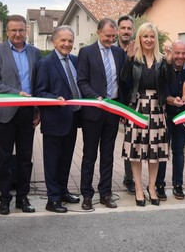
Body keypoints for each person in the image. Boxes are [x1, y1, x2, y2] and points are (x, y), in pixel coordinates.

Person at [0, 14, 41, 215]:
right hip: (4, 113)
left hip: (27, 114)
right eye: (13, 30)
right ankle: (4, 199)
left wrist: (37, 109)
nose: (18, 34)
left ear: (26, 30)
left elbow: (37, 85)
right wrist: (15, 93)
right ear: (6, 32)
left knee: (26, 158)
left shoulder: (35, 53)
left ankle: (22, 198)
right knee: (4, 158)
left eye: (21, 30)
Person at [121, 22, 174, 207]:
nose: (149, 40)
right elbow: (124, 82)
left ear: (156, 39)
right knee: (136, 151)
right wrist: (127, 60)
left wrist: (169, 62)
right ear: (140, 39)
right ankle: (138, 188)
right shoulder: (133, 58)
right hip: (137, 108)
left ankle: (151, 188)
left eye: (152, 36)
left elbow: (169, 85)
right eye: (145, 36)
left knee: (155, 152)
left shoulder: (161, 60)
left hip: (157, 109)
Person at [77, 18, 126, 210]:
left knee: (107, 156)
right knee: (89, 155)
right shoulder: (86, 52)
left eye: (114, 36)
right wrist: (95, 97)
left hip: (112, 112)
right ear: (98, 32)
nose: (111, 40)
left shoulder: (119, 53)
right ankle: (87, 195)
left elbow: (122, 81)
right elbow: (81, 81)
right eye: (108, 36)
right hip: (93, 112)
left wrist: (122, 106)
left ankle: (106, 193)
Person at [34, 25, 81, 213]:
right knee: (52, 162)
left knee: (66, 159)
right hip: (54, 120)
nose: (67, 44)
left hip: (72, 119)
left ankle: (62, 192)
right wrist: (55, 100)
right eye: (63, 40)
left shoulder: (76, 61)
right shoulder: (45, 63)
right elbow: (39, 92)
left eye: (70, 41)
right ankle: (52, 199)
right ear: (54, 41)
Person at [155, 41, 185, 201]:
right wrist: (171, 100)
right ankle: (160, 186)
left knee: (179, 151)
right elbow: (161, 90)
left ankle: (178, 185)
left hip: (182, 116)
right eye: (177, 53)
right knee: (163, 151)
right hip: (165, 115)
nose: (180, 56)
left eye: (183, 53)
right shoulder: (165, 66)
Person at [116, 15, 135, 195]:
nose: (126, 31)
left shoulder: (138, 50)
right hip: (114, 102)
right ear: (118, 30)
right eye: (123, 28)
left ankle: (129, 178)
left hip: (132, 103)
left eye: (129, 28)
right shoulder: (111, 50)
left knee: (131, 142)